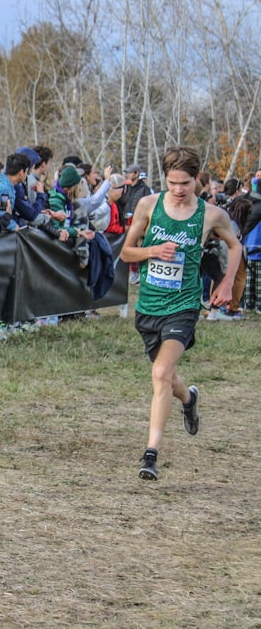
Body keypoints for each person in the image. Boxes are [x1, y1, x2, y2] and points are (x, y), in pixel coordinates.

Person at [120, 146, 241, 481]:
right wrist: (153, 250)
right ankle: (189, 399)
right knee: (168, 377)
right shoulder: (148, 206)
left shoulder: (210, 214)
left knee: (160, 374)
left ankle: (150, 455)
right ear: (165, 179)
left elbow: (235, 245)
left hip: (184, 306)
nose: (178, 189)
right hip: (149, 307)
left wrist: (227, 284)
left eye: (185, 183)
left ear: (196, 179)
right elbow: (127, 252)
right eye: (173, 182)